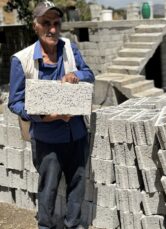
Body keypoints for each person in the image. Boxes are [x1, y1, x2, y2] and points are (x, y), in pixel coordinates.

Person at [8, 1, 95, 228]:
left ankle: (73, 225)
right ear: (35, 26)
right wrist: (42, 117)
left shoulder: (70, 49)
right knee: (48, 189)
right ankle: (45, 226)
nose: (53, 29)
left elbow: (89, 74)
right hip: (47, 138)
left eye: (56, 23)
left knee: (77, 186)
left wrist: (75, 75)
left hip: (76, 134)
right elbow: (15, 102)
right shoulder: (21, 60)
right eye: (46, 23)